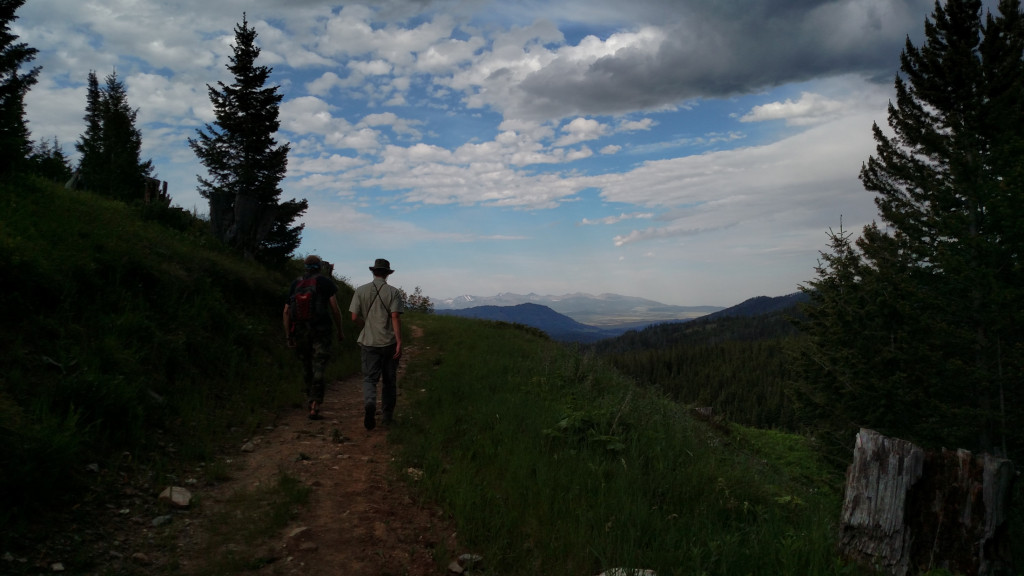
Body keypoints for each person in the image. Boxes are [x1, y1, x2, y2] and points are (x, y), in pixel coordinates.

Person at [283, 255, 344, 419]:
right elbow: (335, 309)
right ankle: (316, 403)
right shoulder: (325, 282)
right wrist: (339, 330)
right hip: (321, 331)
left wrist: (289, 335)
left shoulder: (296, 284)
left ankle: (309, 400)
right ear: (320, 267)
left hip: (301, 331)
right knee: (319, 366)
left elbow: (286, 312)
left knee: (306, 365)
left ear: (305, 267)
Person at [349, 258, 404, 430]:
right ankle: (387, 417)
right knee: (389, 381)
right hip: (388, 342)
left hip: (369, 342)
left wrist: (366, 326)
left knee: (369, 378)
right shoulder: (394, 292)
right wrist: (399, 341)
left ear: (373, 272)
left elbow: (353, 317)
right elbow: (395, 316)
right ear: (387, 274)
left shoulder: (360, 291)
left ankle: (370, 403)